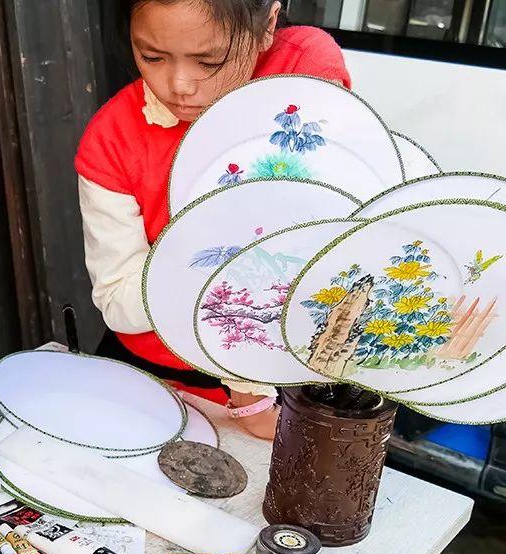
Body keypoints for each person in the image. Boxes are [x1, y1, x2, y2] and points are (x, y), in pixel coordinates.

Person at [75, 0, 351, 439]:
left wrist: (253, 390)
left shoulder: (301, 66)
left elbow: (317, 214)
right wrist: (225, 263)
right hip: (157, 377)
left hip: (282, 374)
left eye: (209, 61)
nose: (179, 85)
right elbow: (120, 301)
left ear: (267, 25)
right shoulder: (112, 139)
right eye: (152, 56)